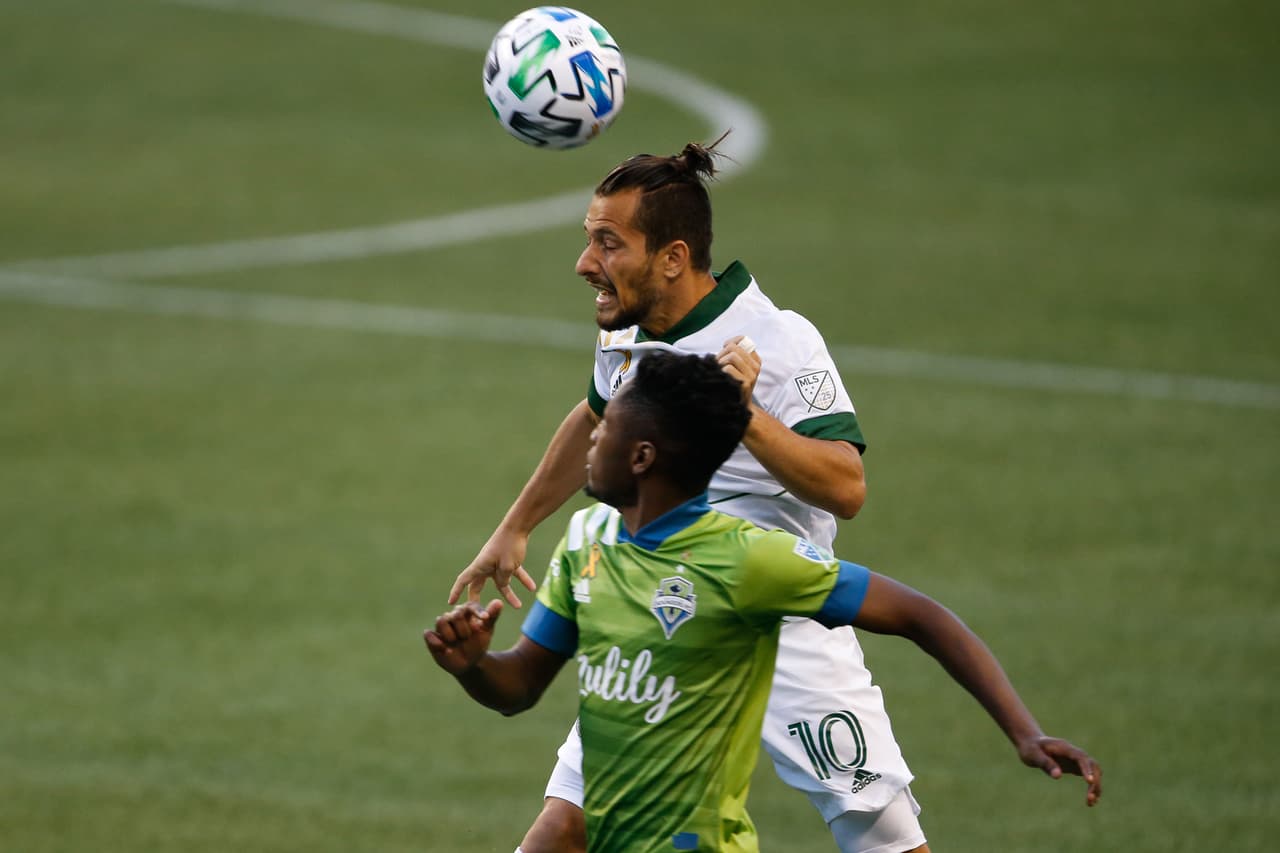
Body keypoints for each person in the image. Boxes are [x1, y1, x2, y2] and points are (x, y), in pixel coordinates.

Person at [449, 138, 927, 852]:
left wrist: (749, 419)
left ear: (672, 257)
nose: (587, 265)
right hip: (653, 610)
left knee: (884, 835)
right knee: (565, 824)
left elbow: (846, 485)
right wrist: (515, 525)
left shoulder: (778, 340)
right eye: (589, 240)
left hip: (778, 611)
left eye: (609, 244)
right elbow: (594, 412)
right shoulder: (626, 326)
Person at [427, 352, 1102, 853]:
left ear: (640, 456)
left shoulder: (748, 558)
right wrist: (473, 665)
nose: (588, 443)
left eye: (601, 435)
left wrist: (1023, 730)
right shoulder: (587, 540)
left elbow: (921, 615)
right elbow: (518, 687)